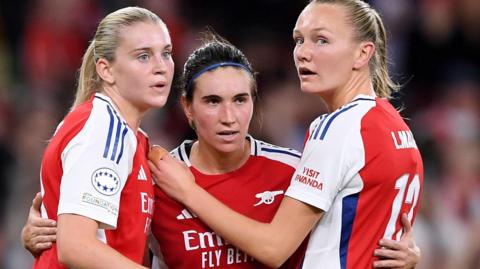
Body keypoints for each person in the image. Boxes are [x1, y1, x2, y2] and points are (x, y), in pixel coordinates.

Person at [22, 33, 419, 268]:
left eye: (241, 99)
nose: (229, 116)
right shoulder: (154, 174)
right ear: (188, 109)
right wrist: (43, 234)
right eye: (212, 101)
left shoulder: (295, 172)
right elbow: (111, 245)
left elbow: (359, 227)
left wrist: (408, 253)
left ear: (254, 102)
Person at [149, 1, 424, 269]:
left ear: (363, 54)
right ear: (187, 107)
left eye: (321, 40)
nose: (303, 52)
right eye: (299, 40)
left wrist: (188, 191)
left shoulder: (336, 129)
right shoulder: (396, 126)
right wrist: (408, 256)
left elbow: (273, 248)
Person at [29, 6, 174, 269]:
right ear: (106, 71)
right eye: (143, 56)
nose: (161, 67)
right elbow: (76, 247)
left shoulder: (127, 134)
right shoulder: (104, 128)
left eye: (166, 53)